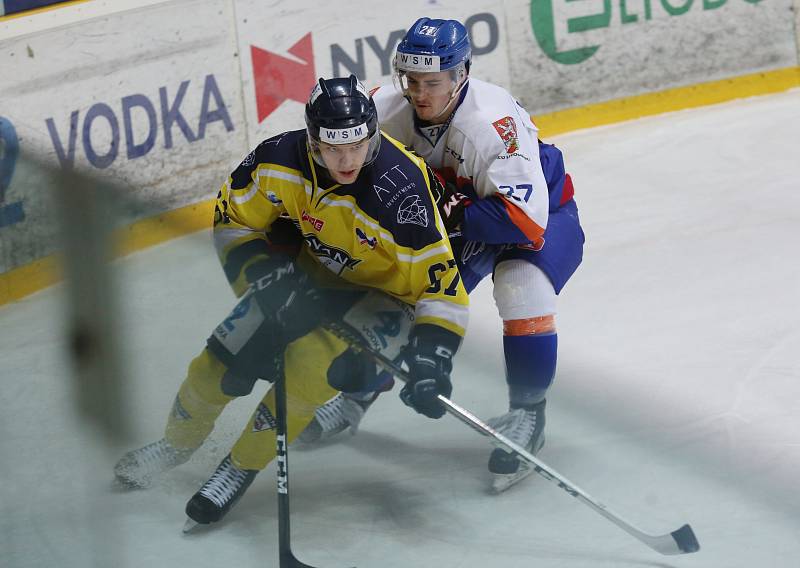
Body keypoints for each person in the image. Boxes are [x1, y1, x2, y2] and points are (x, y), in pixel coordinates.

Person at [113, 75, 469, 527]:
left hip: (390, 297)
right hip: (312, 277)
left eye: (357, 146)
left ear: (373, 135)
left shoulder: (401, 192)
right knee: (216, 364)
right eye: (333, 148)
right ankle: (176, 444)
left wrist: (432, 359)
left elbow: (440, 287)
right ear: (312, 140)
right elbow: (232, 220)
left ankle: (237, 468)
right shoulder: (277, 159)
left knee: (308, 370)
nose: (347, 160)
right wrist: (264, 274)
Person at [302, 18, 584, 493]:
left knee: (522, 286)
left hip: (537, 216)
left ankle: (527, 415)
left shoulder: (493, 122)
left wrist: (443, 210)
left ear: (461, 75)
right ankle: (355, 397)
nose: (419, 93)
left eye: (432, 82)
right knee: (397, 293)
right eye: (410, 80)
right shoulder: (383, 110)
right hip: (459, 217)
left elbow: (524, 221)